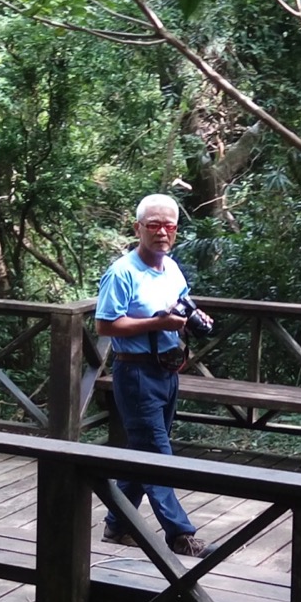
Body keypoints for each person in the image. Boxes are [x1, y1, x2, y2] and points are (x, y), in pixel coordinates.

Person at [93, 194, 211, 557]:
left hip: (167, 371)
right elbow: (105, 325)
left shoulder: (171, 268)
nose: (162, 232)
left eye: (170, 226)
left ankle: (116, 525)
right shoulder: (123, 272)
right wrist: (158, 322)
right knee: (158, 453)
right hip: (135, 373)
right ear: (138, 229)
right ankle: (180, 534)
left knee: (143, 451)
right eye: (154, 225)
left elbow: (183, 302)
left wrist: (194, 318)